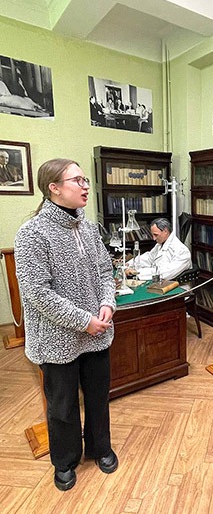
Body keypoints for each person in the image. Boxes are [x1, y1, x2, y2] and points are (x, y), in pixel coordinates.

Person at [14, 158, 118, 491]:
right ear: (54, 188)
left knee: (98, 397)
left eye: (85, 180)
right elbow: (37, 293)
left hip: (97, 333)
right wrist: (83, 321)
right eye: (78, 180)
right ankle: (65, 460)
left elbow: (106, 272)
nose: (86, 186)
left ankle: (100, 447)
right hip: (57, 339)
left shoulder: (89, 229)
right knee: (62, 405)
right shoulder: (32, 233)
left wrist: (107, 303)